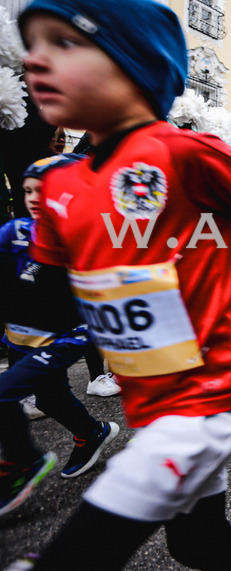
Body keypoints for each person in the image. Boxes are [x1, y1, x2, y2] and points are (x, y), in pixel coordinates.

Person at [16, 0, 231, 569]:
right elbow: (62, 287)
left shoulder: (183, 152)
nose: (34, 59)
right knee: (199, 544)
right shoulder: (57, 184)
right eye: (31, 44)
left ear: (134, 63)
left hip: (212, 389)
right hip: (150, 399)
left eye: (63, 42)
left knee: (90, 543)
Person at [0, 154, 119, 517]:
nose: (34, 197)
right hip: (18, 337)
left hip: (65, 338)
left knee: (3, 394)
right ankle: (92, 432)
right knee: (51, 399)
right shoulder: (15, 231)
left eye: (44, 189)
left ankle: (24, 461)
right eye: (28, 190)